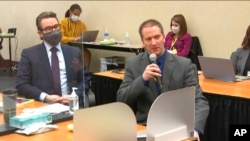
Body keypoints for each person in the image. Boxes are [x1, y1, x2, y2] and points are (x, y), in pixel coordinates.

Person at [117, 19, 209, 140]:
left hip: (176, 128)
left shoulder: (184, 65)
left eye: (157, 37)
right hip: (146, 128)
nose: (154, 42)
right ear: (142, 42)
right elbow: (122, 99)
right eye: (148, 39)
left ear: (164, 37)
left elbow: (199, 101)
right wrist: (142, 79)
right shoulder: (133, 64)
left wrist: (195, 129)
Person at [15, 11, 91, 107]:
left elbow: (85, 79)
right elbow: (21, 85)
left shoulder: (74, 52)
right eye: (48, 29)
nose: (54, 31)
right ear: (40, 33)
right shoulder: (29, 54)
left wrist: (74, 95)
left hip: (70, 105)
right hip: (43, 106)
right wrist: (45, 97)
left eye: (56, 27)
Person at [60, 4, 92, 70]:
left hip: (77, 46)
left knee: (87, 53)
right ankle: (75, 74)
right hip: (65, 45)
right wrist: (74, 39)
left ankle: (85, 73)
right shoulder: (62, 22)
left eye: (78, 15)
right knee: (77, 54)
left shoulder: (80, 23)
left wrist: (88, 38)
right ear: (70, 12)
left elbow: (85, 34)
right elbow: (61, 37)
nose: (76, 16)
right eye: (75, 14)